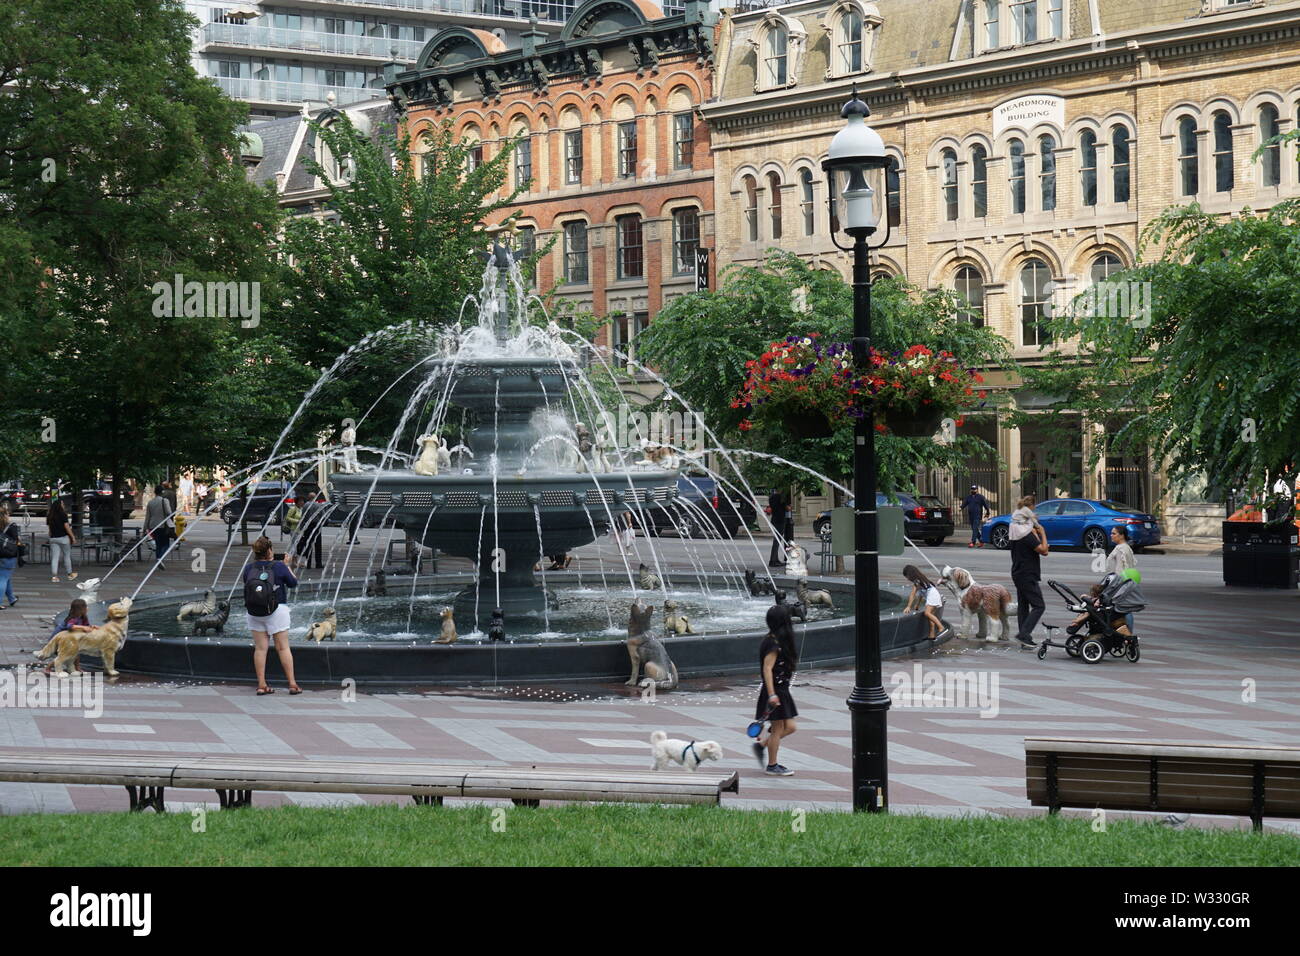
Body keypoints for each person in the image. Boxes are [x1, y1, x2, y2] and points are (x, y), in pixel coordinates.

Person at [244, 535, 301, 695]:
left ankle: (262, 685)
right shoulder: (279, 566)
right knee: (283, 648)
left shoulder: (249, 568)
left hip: (254, 611)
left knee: (260, 649)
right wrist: (287, 565)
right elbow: (293, 583)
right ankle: (292, 684)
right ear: (269, 550)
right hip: (277, 610)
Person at [752, 603, 799, 776]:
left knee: (791, 727)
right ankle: (773, 765)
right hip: (775, 691)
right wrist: (771, 694)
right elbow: (767, 670)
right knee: (778, 729)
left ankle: (762, 744)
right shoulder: (772, 644)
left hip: (781, 690)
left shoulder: (775, 640)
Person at [1009, 503, 1049, 647]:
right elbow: (1044, 551)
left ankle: (1024, 638)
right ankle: (1023, 634)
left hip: (1018, 572)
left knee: (1023, 606)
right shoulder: (1026, 536)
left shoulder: (1016, 533)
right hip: (1027, 574)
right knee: (1039, 606)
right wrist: (1042, 533)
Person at [44, 598, 93, 674]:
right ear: (80, 609)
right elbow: (70, 626)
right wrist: (83, 627)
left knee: (76, 653)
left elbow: (87, 626)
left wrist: (92, 627)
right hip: (59, 639)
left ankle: (77, 668)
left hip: (68, 640)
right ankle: (48, 668)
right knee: (64, 656)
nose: (87, 608)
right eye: (85, 607)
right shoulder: (73, 618)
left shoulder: (83, 617)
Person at [902, 564, 950, 641]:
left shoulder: (917, 581)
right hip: (934, 594)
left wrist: (908, 606)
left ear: (910, 574)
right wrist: (917, 605)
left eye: (907, 576)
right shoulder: (921, 579)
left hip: (932, 595)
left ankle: (941, 627)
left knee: (927, 613)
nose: (907, 578)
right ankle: (932, 635)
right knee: (930, 617)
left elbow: (913, 594)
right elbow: (921, 594)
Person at [1106, 526, 1138, 633]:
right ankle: (1127, 632)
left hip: (1122, 583)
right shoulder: (1124, 547)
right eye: (1111, 533)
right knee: (1124, 608)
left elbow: (1123, 569)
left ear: (1121, 535)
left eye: (1114, 533)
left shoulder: (1121, 549)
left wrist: (1117, 584)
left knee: (1125, 609)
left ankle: (1128, 633)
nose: (1111, 535)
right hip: (1125, 582)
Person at [46, 498, 78, 583]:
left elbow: (50, 530)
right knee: (66, 556)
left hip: (53, 538)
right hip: (63, 538)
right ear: (60, 506)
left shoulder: (50, 516)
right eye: (63, 504)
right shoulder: (63, 515)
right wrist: (73, 537)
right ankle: (70, 574)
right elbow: (67, 527)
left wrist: (50, 538)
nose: (64, 506)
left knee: (55, 557)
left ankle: (54, 577)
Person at [145, 484, 175, 570]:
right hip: (163, 525)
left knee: (158, 544)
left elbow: (148, 516)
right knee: (166, 544)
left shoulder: (150, 502)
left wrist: (145, 528)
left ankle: (158, 559)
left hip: (153, 526)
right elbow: (169, 512)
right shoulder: (164, 501)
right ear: (162, 492)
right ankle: (159, 559)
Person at [0, 509, 23, 609]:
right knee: (3, 578)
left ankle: (11, 598)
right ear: (5, 515)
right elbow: (16, 539)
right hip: (8, 555)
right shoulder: (11, 526)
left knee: (6, 577)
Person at [767, 489, 790, 567]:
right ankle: (773, 560)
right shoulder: (781, 498)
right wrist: (789, 507)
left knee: (776, 540)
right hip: (780, 520)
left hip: (774, 520)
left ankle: (775, 559)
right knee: (777, 541)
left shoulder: (771, 497)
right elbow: (787, 508)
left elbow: (770, 508)